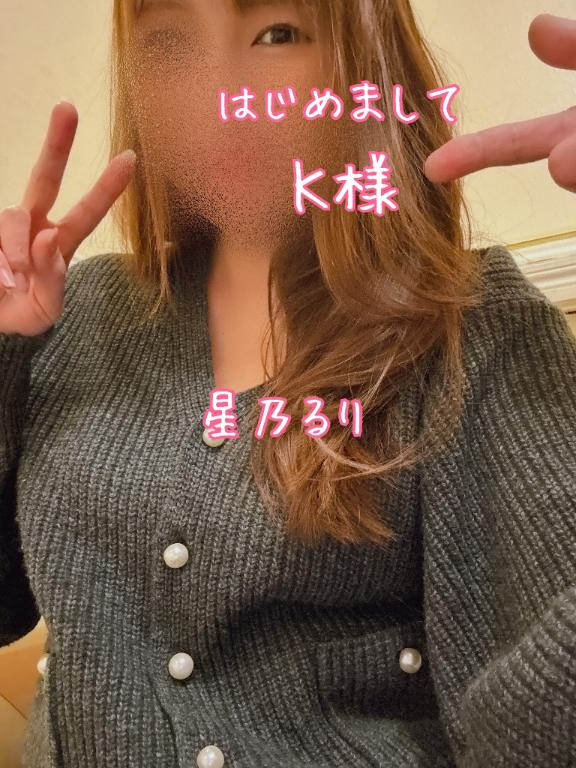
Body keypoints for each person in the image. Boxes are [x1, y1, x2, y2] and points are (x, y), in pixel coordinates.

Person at [1, 2, 575, 767]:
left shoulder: (474, 327)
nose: (220, 88)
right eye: (169, 42)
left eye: (277, 34)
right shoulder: (75, 311)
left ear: (361, 63)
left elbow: (541, 724)